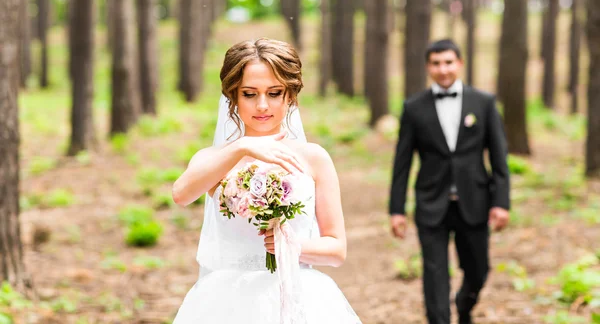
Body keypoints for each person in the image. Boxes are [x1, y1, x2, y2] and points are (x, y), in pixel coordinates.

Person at [171, 38, 361, 323]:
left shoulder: (314, 158)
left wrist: (293, 245)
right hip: (227, 302)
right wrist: (241, 148)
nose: (262, 105)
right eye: (249, 94)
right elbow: (181, 194)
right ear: (233, 96)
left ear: (290, 96)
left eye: (274, 93)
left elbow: (336, 250)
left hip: (299, 295)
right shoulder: (213, 157)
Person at [389, 39, 511, 324]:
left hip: (475, 202)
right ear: (428, 67)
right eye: (436, 63)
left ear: (460, 64)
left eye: (448, 62)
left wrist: (501, 202)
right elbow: (402, 163)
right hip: (431, 203)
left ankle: (465, 305)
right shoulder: (413, 107)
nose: (442, 69)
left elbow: (499, 157)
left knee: (478, 270)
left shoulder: (483, 102)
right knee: (434, 276)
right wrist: (396, 209)